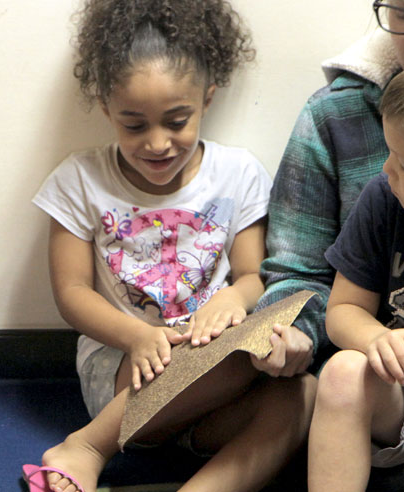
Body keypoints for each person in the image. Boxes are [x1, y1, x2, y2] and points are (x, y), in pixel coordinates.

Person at [28, 1, 317, 491]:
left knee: (303, 393)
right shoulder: (80, 179)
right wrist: (137, 337)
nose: (157, 143)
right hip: (124, 368)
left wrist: (230, 299)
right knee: (228, 353)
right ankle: (88, 445)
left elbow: (251, 276)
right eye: (134, 125)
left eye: (176, 121)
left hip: (215, 377)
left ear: (207, 99)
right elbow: (72, 294)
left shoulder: (238, 173)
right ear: (106, 109)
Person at [254, 0, 404, 379]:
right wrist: (287, 332)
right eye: (403, 14)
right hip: (367, 378)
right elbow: (298, 272)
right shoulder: (334, 116)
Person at [307, 57, 404, 491]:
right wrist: (376, 339)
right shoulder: (385, 198)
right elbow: (343, 309)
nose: (386, 170)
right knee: (344, 372)